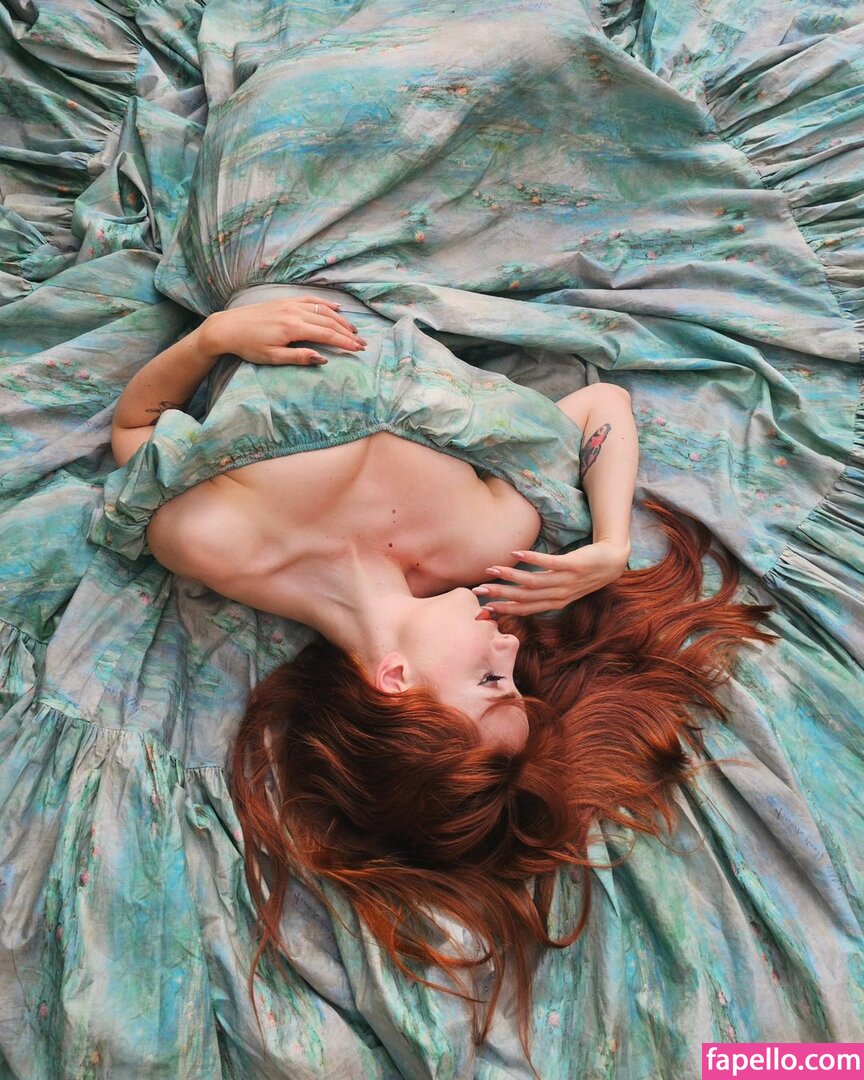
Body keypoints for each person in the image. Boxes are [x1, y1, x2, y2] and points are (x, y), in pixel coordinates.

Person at [107, 291, 773, 1057]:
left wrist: (213, 338)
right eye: (517, 681)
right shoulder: (489, 540)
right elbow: (602, 406)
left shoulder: (216, 542)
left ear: (395, 681)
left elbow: (133, 429)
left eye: (491, 684)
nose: (511, 652)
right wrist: (610, 547)